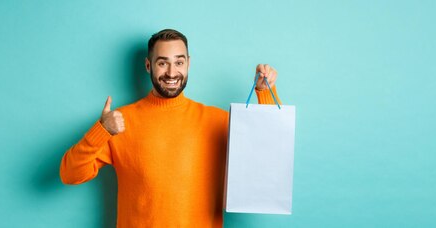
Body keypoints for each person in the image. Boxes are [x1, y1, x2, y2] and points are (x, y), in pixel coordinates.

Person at [60, 29, 281, 227]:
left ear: (189, 63)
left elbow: (265, 158)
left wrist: (264, 92)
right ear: (148, 65)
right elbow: (69, 174)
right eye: (162, 63)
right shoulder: (120, 122)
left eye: (179, 62)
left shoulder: (217, 121)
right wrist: (102, 130)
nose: (172, 72)